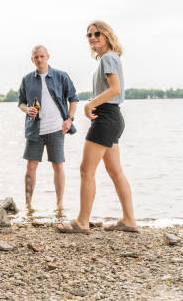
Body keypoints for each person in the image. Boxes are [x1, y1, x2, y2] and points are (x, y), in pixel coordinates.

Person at [56, 21, 138, 234]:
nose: (92, 37)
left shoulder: (109, 57)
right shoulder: (109, 59)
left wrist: (91, 103)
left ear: (107, 34)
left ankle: (82, 222)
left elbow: (115, 89)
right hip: (113, 117)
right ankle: (129, 220)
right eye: (89, 35)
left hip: (106, 118)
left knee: (86, 170)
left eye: (97, 33)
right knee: (115, 171)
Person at [18, 44, 78, 211]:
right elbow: (20, 103)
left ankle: (59, 204)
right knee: (31, 166)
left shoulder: (61, 76)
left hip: (56, 128)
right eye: (36, 57)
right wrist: (26, 109)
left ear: (48, 57)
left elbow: (74, 99)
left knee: (57, 165)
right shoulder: (27, 79)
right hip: (34, 129)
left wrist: (69, 120)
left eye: (42, 56)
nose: (39, 59)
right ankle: (28, 204)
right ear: (32, 59)